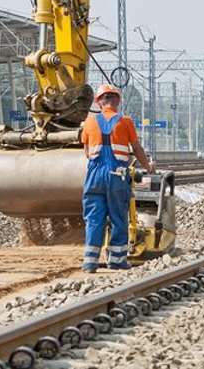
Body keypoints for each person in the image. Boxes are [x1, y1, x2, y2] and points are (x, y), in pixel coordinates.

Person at [79, 84, 155, 273]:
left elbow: (87, 152)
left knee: (94, 219)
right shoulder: (125, 122)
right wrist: (148, 167)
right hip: (116, 176)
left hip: (95, 176)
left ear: (98, 102)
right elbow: (137, 149)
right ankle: (117, 260)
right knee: (118, 217)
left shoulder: (88, 122)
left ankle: (90, 262)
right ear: (118, 101)